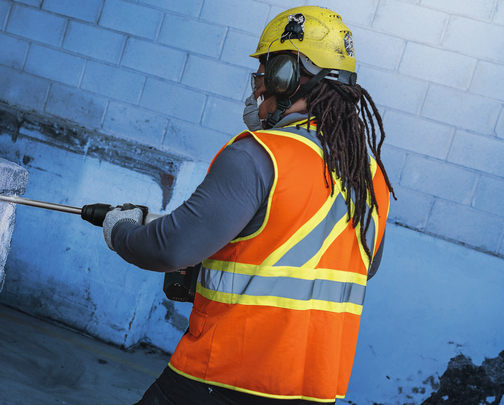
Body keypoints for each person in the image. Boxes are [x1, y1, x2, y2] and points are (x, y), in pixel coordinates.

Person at [102, 6, 395, 404]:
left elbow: (169, 248)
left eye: (263, 71)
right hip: (316, 391)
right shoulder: (371, 176)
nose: (257, 87)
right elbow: (355, 268)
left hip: (222, 379)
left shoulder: (260, 155)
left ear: (286, 74)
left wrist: (120, 229)